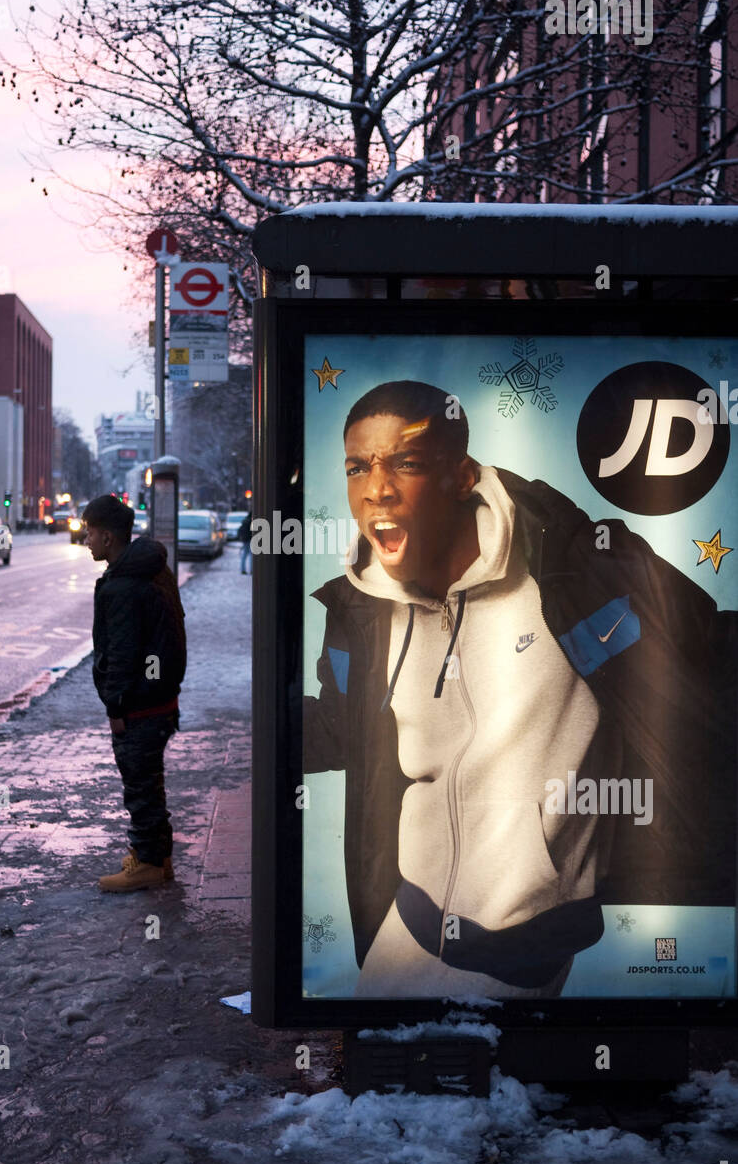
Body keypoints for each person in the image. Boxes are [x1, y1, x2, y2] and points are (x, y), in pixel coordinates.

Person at [303, 381, 735, 998]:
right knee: (374, 1075)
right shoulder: (361, 611)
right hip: (411, 917)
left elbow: (700, 658)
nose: (377, 489)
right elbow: (340, 732)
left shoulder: (574, 572)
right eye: (357, 467)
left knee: (437, 1084)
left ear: (462, 476)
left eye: (407, 462)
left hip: (521, 939)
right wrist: (254, 719)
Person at [83, 494, 187, 892]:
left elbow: (123, 654)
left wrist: (116, 707)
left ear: (108, 537)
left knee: (140, 786)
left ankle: (147, 862)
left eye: (90, 533)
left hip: (140, 706)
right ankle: (157, 859)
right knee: (149, 782)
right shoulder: (151, 571)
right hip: (159, 700)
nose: (86, 540)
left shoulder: (124, 586)